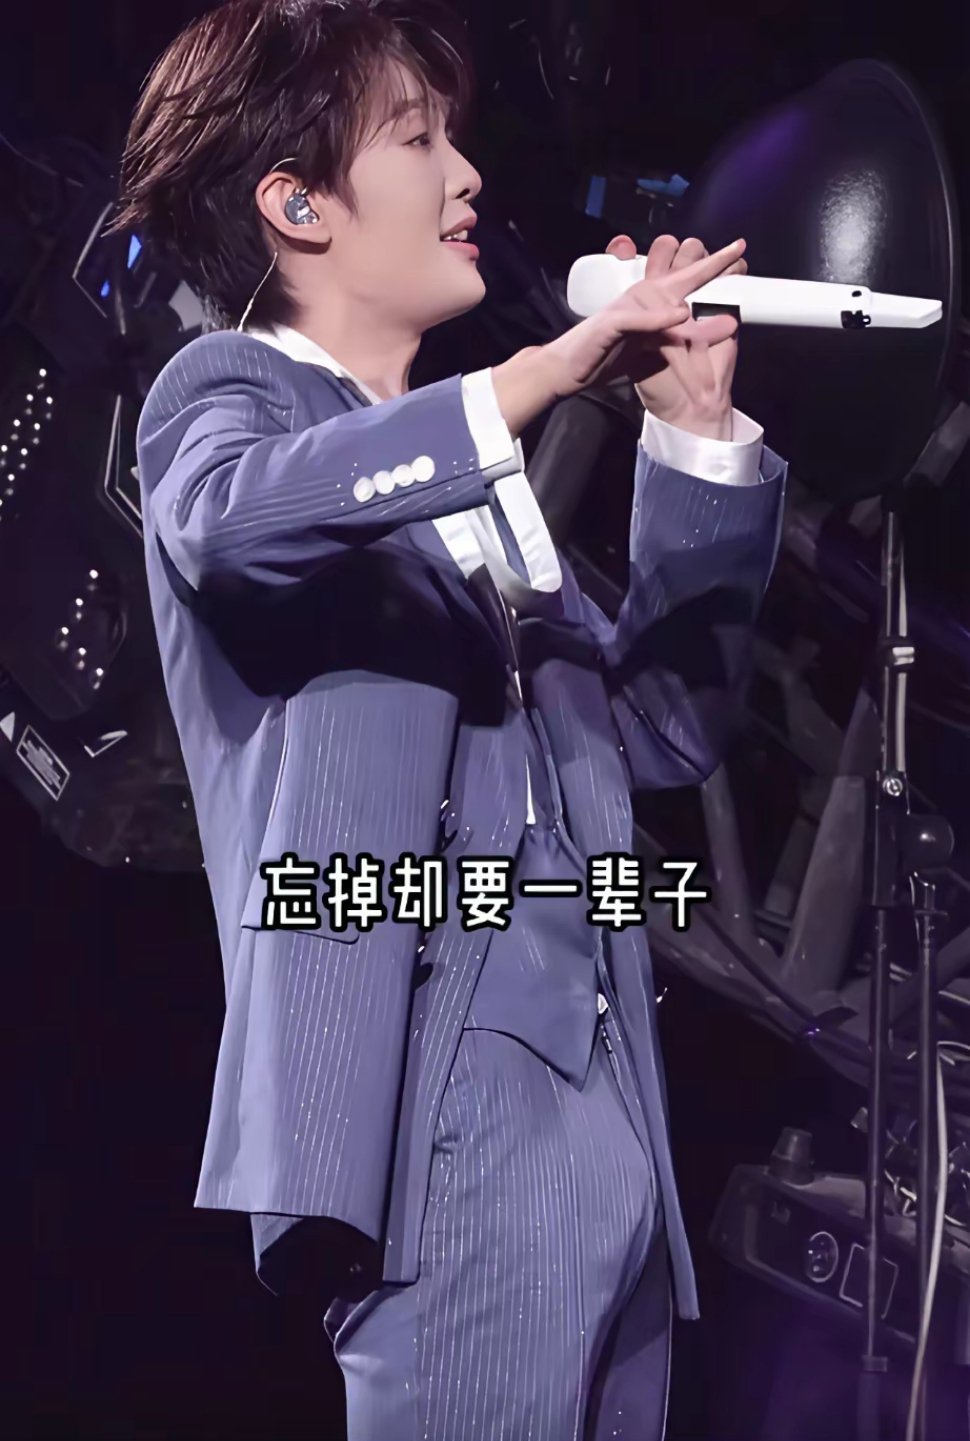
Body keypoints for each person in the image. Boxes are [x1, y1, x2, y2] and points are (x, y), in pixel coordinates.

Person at [113, 1, 786, 1436]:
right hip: (441, 1119)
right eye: (417, 139)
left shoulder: (472, 495)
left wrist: (695, 440)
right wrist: (544, 373)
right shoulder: (225, 398)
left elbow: (660, 732)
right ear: (297, 205)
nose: (468, 174)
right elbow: (230, 522)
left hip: (612, 1117)